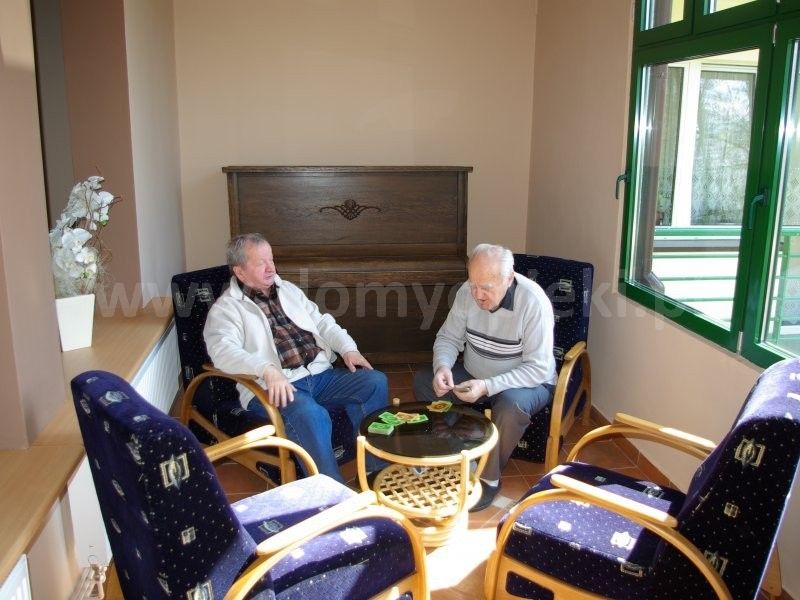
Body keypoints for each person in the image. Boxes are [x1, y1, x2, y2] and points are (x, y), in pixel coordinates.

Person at [204, 233, 388, 483]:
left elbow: (322, 322)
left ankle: (374, 470)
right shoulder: (226, 309)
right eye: (261, 263)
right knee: (310, 414)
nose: (271, 268)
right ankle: (329, 489)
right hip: (275, 386)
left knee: (374, 382)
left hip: (320, 375)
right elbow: (222, 351)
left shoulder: (288, 290)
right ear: (240, 271)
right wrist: (266, 369)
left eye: (271, 259)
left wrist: (348, 349)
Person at [413, 243, 556, 511]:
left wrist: (488, 386)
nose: (478, 295)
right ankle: (455, 451)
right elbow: (448, 338)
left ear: (509, 279)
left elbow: (537, 368)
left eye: (486, 288)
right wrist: (443, 366)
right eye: (473, 285)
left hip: (525, 382)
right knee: (423, 381)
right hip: (475, 373)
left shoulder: (533, 302)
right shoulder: (466, 293)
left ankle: (488, 478)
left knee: (511, 406)